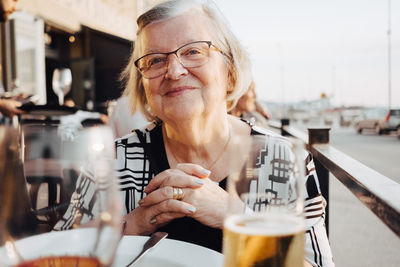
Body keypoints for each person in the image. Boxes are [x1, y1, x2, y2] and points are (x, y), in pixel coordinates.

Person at [58, 0, 334, 265]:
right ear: (143, 85)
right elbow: (58, 257)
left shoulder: (281, 159)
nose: (174, 71)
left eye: (193, 51)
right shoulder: (112, 160)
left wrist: (235, 216)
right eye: (155, 60)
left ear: (230, 72)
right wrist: (135, 223)